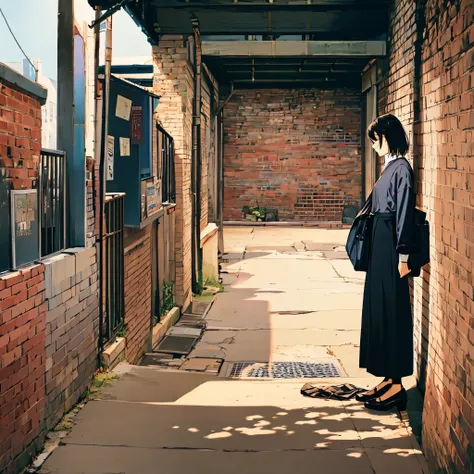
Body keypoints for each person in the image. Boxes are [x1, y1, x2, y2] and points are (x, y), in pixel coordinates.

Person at [356, 113, 416, 411]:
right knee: (379, 309)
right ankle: (387, 378)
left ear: (386, 136)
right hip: (382, 245)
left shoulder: (401, 169)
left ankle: (396, 385)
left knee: (392, 311)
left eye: (375, 139)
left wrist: (403, 255)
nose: (373, 146)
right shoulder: (391, 167)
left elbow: (404, 212)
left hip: (392, 247)